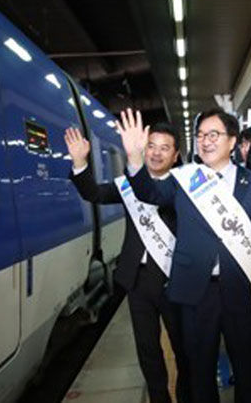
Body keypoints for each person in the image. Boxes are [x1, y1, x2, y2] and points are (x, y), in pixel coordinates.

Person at [117, 108, 251, 403]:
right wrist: (134, 158)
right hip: (195, 291)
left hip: (241, 289)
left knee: (246, 367)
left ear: (232, 142)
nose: (205, 141)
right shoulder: (184, 178)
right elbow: (149, 193)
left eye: (214, 135)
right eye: (201, 135)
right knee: (199, 370)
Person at [64, 123, 190, 403]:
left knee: (184, 349)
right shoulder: (128, 184)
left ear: (176, 154)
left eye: (164, 148)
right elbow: (94, 194)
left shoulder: (184, 185)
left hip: (174, 278)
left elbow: (157, 196)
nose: (156, 154)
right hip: (138, 279)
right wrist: (80, 161)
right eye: (151, 146)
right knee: (147, 349)